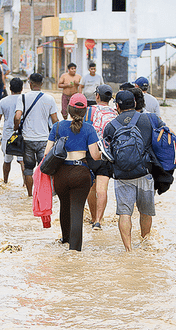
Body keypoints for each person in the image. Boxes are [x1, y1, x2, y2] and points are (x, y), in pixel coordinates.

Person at [45, 93, 100, 251]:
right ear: (85, 112)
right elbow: (95, 156)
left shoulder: (57, 127)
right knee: (77, 209)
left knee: (64, 205)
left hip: (61, 173)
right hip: (81, 174)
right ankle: (74, 250)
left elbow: (46, 152)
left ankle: (65, 239)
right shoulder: (89, 129)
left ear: (68, 109)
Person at [102, 90, 155, 251]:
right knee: (145, 211)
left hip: (122, 176)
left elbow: (106, 153)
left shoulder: (110, 126)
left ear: (117, 106)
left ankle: (128, 249)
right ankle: (145, 244)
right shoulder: (147, 120)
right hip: (145, 172)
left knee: (125, 213)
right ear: (135, 103)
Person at [14, 73, 59, 196]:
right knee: (44, 168)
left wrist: (15, 127)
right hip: (44, 140)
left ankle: (30, 195)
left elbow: (18, 116)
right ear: (42, 84)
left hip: (27, 139)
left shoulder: (22, 98)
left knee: (28, 169)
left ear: (30, 83)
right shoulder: (49, 99)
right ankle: (43, 194)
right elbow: (55, 120)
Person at [85, 84, 117, 230]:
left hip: (92, 153)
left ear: (97, 96)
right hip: (108, 155)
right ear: (110, 99)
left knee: (91, 188)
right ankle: (99, 220)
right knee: (102, 189)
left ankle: (92, 218)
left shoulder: (89, 110)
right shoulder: (116, 112)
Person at [0, 77, 25, 184]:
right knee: (22, 161)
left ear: (10, 88)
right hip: (22, 134)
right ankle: (26, 185)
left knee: (7, 160)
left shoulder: (3, 101)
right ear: (22, 88)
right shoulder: (25, 100)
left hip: (8, 134)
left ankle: (5, 181)